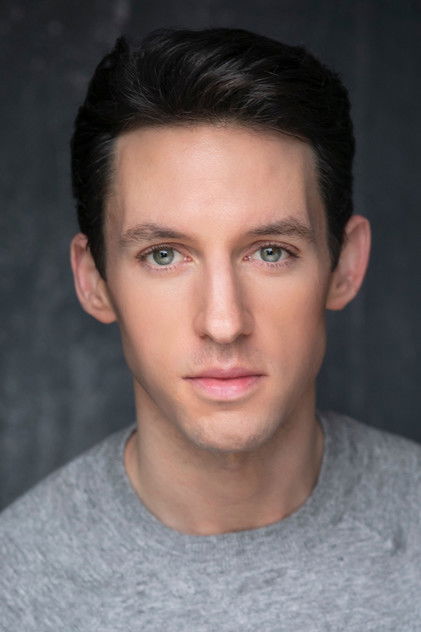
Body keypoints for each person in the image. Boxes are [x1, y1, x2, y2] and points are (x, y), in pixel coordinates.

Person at [1, 26, 420, 630]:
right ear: (93, 280)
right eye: (164, 255)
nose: (224, 323)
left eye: (270, 252)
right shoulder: (16, 589)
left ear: (345, 265)